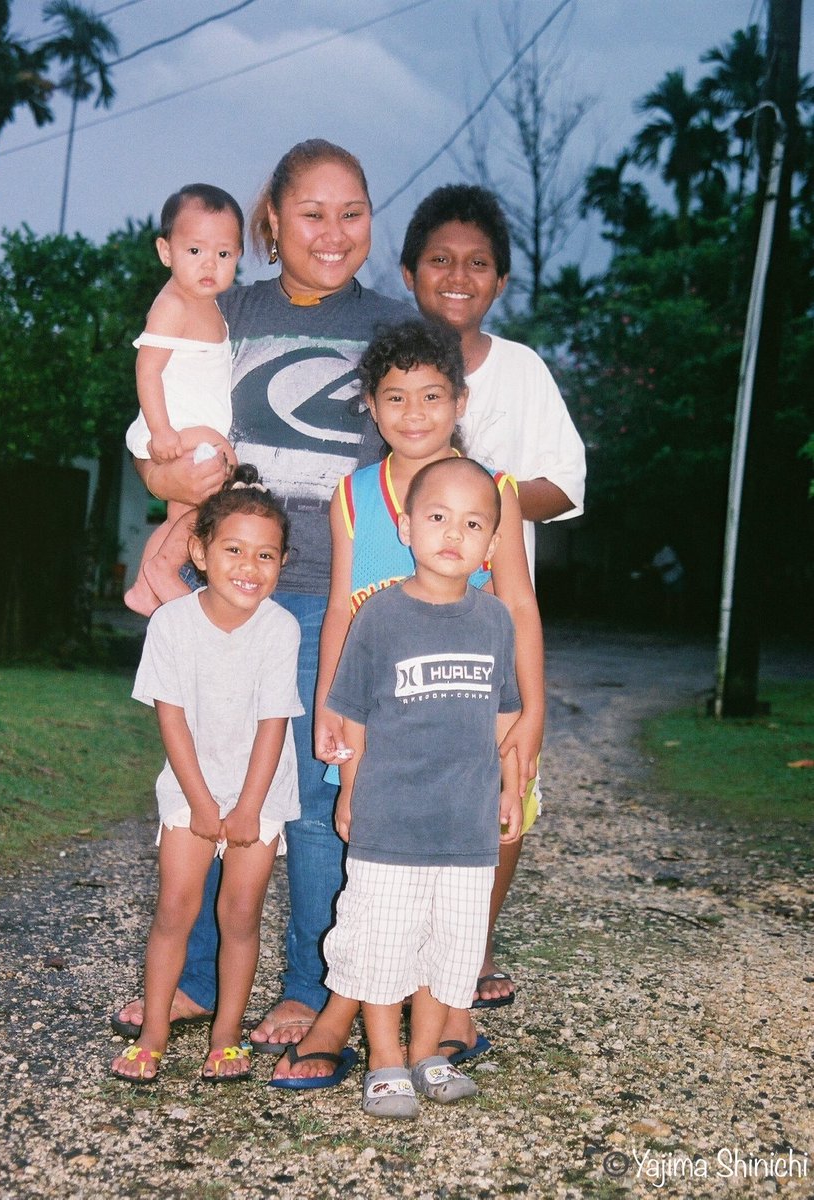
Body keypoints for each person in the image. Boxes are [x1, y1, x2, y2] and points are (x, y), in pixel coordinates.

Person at [111, 139, 415, 1051]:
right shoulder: (223, 307)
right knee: (205, 783)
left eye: (352, 212)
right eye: (311, 213)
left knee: (317, 799)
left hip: (336, 597)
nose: (333, 231)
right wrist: (166, 473)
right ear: (271, 221)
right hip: (225, 596)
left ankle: (309, 988)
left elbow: (425, 460)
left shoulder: (395, 326)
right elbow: (154, 433)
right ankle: (196, 982)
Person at [271, 319, 543, 1089]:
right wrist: (329, 704)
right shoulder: (354, 496)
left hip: (467, 724)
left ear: (459, 401)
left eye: (431, 396)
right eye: (395, 397)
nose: (414, 413)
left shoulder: (494, 491)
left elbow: (519, 606)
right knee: (375, 881)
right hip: (383, 727)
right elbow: (340, 608)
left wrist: (532, 715)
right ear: (370, 404)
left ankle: (439, 1014)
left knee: (451, 880)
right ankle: (346, 1015)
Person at [400, 183, 586, 1009]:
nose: (457, 276)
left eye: (477, 263)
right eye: (439, 259)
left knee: (504, 777)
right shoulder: (390, 364)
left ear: (500, 281)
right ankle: (389, 949)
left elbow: (566, 483)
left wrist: (484, 494)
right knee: (403, 779)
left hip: (494, 615)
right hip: (399, 613)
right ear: (409, 272)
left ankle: (469, 951)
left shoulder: (521, 370)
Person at [322, 455, 524, 1119]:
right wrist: (349, 789)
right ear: (407, 528)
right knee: (382, 946)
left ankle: (427, 1055)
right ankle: (384, 1061)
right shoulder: (380, 616)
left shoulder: (494, 620)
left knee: (451, 950)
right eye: (437, 517)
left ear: (492, 544)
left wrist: (507, 787)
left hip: (466, 828)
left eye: (473, 523)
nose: (453, 533)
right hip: (391, 823)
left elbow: (504, 713)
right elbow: (352, 715)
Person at [110, 466, 303, 1084]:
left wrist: (247, 808)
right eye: (234, 550)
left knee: (240, 916)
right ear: (200, 552)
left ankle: (226, 1036)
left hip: (259, 792)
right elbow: (171, 720)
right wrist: (199, 802)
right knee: (175, 909)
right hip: (189, 787)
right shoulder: (172, 623)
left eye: (265, 555)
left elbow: (273, 725)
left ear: (282, 562)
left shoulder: (281, 628)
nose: (250, 566)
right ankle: (154, 1032)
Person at [123, 183, 243, 617]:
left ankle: (145, 586)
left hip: (189, 427)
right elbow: (148, 369)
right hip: (179, 430)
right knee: (214, 502)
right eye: (195, 250)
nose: (209, 263)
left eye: (223, 254)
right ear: (166, 251)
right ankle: (161, 572)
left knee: (182, 517)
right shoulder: (173, 304)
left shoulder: (210, 305)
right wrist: (161, 432)